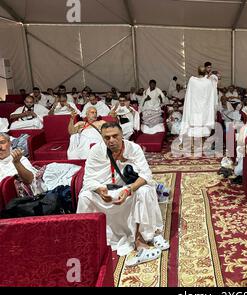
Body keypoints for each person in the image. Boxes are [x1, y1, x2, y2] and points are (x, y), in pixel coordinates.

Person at [77, 122, 169, 257]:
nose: (111, 140)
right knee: (84, 196)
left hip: (127, 189)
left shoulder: (134, 148)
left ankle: (141, 237)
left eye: (115, 136)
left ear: (122, 135)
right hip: (106, 190)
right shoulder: (96, 151)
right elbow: (88, 179)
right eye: (107, 138)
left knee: (145, 190)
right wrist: (99, 190)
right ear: (102, 138)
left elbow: (146, 175)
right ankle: (89, 239)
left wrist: (128, 190)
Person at [179, 66, 216, 150]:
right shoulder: (208, 82)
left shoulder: (192, 80)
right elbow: (210, 97)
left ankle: (192, 145)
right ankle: (202, 144)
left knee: (194, 128)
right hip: (203, 110)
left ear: (197, 72)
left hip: (194, 109)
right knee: (202, 128)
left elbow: (189, 94)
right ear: (205, 72)